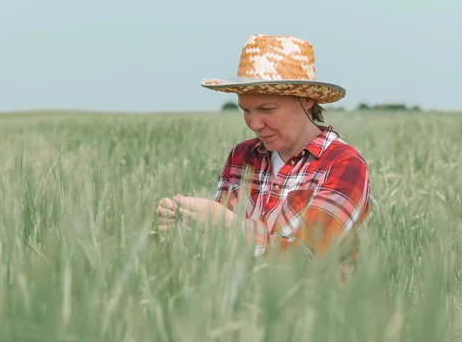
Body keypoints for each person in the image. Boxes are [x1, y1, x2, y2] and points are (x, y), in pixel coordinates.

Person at [156, 34, 370, 278]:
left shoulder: (343, 164)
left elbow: (309, 260)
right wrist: (186, 227)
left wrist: (228, 227)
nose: (254, 124)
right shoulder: (241, 156)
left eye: (267, 109)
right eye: (245, 110)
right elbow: (219, 253)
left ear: (308, 99)